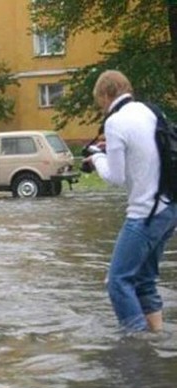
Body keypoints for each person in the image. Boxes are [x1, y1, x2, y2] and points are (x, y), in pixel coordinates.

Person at [84, 70, 177, 333]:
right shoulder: (150, 111)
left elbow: (115, 177)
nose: (100, 107)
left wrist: (97, 159)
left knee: (117, 282)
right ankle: (157, 339)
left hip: (145, 213)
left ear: (105, 94)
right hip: (170, 208)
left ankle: (138, 345)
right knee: (145, 280)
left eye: (99, 101)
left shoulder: (115, 122)